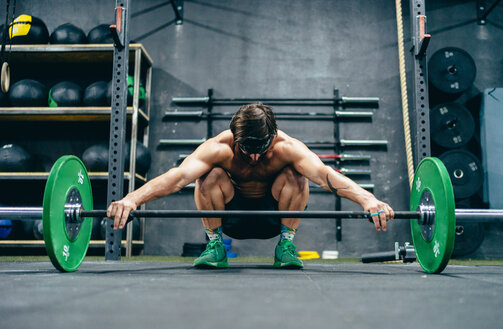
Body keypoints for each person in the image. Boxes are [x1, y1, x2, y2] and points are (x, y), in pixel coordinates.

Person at [107, 103, 394, 269]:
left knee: (299, 175)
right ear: (235, 137)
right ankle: (215, 247)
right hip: (230, 219)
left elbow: (324, 175)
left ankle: (286, 247)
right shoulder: (220, 147)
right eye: (247, 149)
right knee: (206, 176)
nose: (255, 157)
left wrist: (368, 199)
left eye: (262, 148)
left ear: (273, 135)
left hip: (274, 219)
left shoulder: (288, 147)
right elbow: (178, 177)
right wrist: (131, 199)